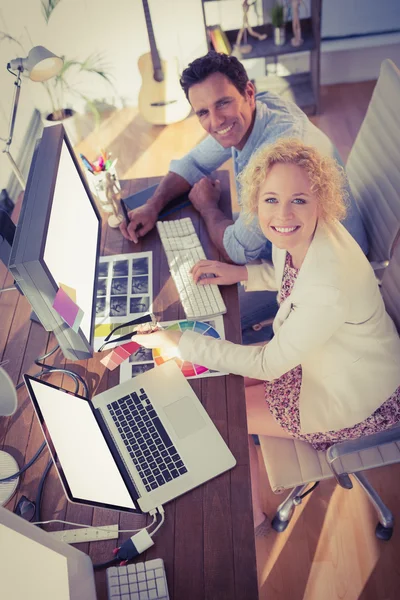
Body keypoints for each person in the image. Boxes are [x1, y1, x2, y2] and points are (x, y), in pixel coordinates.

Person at [133, 139, 400, 536]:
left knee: (222, 410)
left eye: (298, 201)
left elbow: (268, 363)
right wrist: (243, 274)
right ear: (257, 201)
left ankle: (250, 520)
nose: (282, 214)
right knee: (216, 381)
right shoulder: (305, 234)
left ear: (320, 202)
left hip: (352, 396)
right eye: (271, 200)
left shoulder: (329, 285)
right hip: (325, 358)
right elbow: (289, 277)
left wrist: (178, 341)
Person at [121, 51, 368, 343]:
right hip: (285, 242)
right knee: (186, 258)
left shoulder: (277, 156)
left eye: (223, 103)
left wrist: (208, 206)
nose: (215, 121)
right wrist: (152, 206)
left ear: (248, 93)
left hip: (321, 273)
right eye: (202, 112)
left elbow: (237, 251)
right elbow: (193, 163)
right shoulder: (256, 113)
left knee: (198, 324)